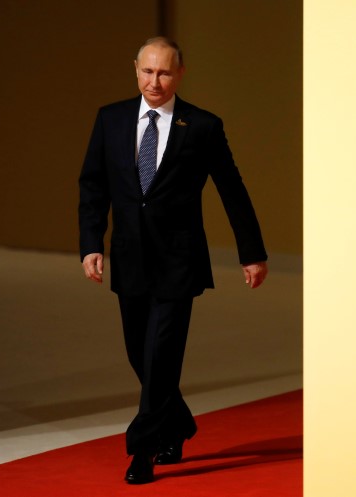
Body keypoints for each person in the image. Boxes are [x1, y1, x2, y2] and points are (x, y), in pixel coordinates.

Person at [78, 37, 268, 484]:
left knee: (161, 354)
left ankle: (142, 448)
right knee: (139, 355)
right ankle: (177, 424)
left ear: (180, 73)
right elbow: (93, 186)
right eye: (147, 71)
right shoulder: (111, 119)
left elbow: (231, 189)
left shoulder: (201, 126)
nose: (154, 81)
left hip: (178, 262)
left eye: (163, 73)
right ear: (135, 70)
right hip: (129, 258)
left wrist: (251, 252)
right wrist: (91, 243)